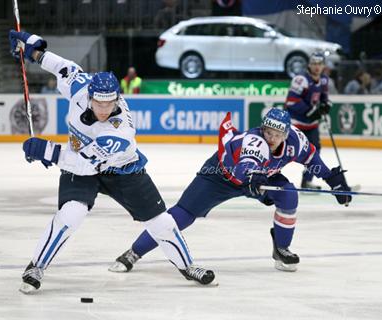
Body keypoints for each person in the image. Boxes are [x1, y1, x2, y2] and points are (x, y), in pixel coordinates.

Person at [9, 30, 215, 293]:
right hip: (80, 163)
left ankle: (188, 266)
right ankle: (36, 266)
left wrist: (47, 150)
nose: (104, 110)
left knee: (162, 223)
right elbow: (63, 68)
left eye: (110, 104)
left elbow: (83, 164)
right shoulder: (80, 87)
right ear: (89, 96)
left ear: (118, 98)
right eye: (99, 103)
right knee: (72, 213)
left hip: (123, 170)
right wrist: (32, 50)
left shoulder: (119, 133)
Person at [109, 109, 352, 273]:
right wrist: (252, 175)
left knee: (288, 194)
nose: (271, 138)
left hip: (258, 180)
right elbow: (246, 166)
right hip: (220, 176)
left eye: (277, 134)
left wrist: (333, 180)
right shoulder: (254, 142)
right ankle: (133, 253)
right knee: (181, 215)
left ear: (286, 134)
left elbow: (313, 161)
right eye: (268, 132)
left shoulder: (296, 142)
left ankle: (281, 249)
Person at [284, 52, 331, 189]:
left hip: (311, 124)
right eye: (314, 63)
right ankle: (265, 175)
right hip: (295, 123)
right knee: (285, 151)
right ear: (309, 65)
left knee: (314, 152)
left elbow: (323, 97)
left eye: (319, 64)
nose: (317, 67)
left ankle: (306, 180)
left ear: (323, 66)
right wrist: (309, 111)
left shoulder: (324, 80)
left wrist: (325, 105)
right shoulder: (301, 80)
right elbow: (291, 101)